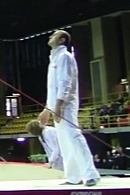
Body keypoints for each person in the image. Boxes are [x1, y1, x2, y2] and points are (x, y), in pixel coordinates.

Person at [38, 30, 100, 187]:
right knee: (65, 142)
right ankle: (73, 177)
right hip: (56, 106)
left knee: (73, 136)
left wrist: (58, 106)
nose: (50, 37)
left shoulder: (65, 57)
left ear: (62, 40)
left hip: (65, 105)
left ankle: (91, 174)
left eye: (54, 35)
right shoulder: (54, 59)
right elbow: (52, 88)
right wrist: (47, 109)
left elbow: (65, 83)